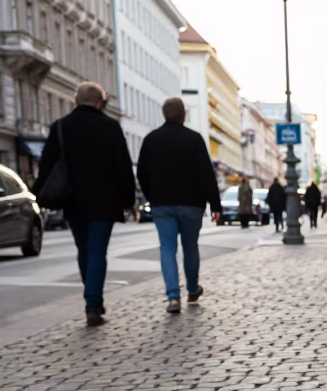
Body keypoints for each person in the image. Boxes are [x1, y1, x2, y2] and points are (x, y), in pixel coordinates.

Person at [34, 82, 135, 327]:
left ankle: (92, 299)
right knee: (98, 251)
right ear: (99, 102)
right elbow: (123, 165)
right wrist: (128, 199)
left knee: (84, 250)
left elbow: (47, 164)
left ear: (75, 101)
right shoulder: (111, 127)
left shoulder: (61, 127)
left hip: (73, 199)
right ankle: (93, 305)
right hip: (105, 200)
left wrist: (40, 193)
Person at [136, 97, 223, 315]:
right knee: (191, 247)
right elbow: (206, 174)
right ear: (183, 115)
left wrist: (152, 196)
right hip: (192, 204)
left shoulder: (151, 140)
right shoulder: (194, 139)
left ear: (164, 115)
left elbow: (142, 174)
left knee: (167, 248)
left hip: (162, 204)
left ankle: (173, 297)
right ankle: (192, 289)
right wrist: (215, 204)